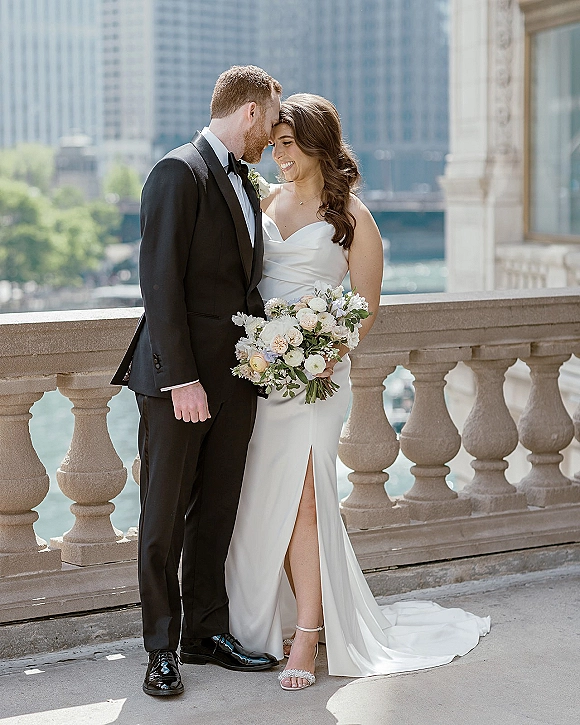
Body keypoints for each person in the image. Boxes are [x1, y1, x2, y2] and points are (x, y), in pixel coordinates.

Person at [225, 93, 490, 691]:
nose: (278, 156)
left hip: (319, 378)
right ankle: (271, 619)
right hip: (265, 373)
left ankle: (308, 637)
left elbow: (365, 308)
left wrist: (322, 352)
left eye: (288, 145)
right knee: (265, 498)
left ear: (317, 145)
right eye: (273, 146)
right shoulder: (267, 201)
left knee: (307, 503)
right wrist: (266, 348)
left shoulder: (353, 218)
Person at [112, 65, 282, 697]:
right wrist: (182, 379)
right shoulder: (177, 172)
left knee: (216, 512)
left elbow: (242, 286)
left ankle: (205, 633)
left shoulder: (245, 179)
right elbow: (159, 285)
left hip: (237, 379)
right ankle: (161, 647)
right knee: (161, 519)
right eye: (272, 114)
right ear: (249, 113)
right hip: (176, 381)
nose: (273, 129)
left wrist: (274, 352)